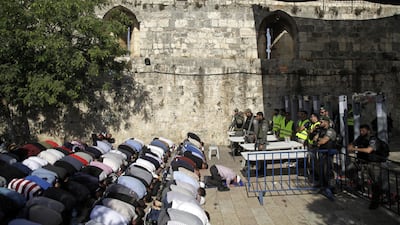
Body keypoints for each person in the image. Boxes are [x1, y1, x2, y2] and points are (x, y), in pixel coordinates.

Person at [347, 124, 389, 209]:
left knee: (376, 183)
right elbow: (351, 145)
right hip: (363, 161)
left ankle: (377, 200)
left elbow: (369, 150)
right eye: (360, 131)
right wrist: (352, 146)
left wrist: (355, 149)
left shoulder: (373, 139)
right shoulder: (360, 138)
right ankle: (359, 186)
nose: (361, 132)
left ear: (368, 131)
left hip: (373, 163)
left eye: (363, 130)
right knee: (350, 169)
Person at [314, 116, 337, 201]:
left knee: (328, 171)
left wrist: (319, 140)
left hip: (328, 153)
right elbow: (315, 139)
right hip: (321, 153)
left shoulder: (330, 131)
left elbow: (323, 141)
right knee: (321, 171)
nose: (320, 123)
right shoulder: (321, 131)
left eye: (321, 122)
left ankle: (331, 188)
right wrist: (319, 140)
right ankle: (323, 186)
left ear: (326, 122)